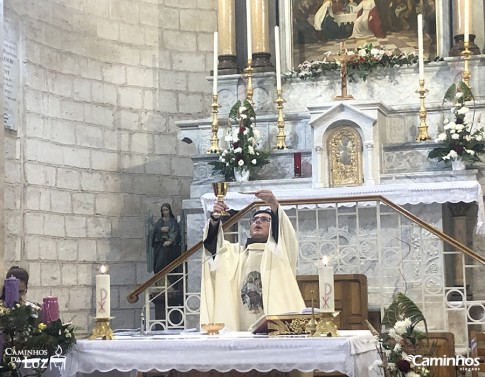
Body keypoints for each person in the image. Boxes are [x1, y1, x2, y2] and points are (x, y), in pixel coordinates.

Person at [200, 190, 305, 331]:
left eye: (265, 219)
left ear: (274, 226)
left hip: (275, 330)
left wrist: (273, 204)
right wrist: (214, 219)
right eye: (255, 220)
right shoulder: (236, 253)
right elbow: (213, 249)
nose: (258, 222)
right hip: (240, 328)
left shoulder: (279, 252)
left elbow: (286, 234)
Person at [149, 203, 181, 275]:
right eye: (163, 210)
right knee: (159, 262)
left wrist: (170, 241)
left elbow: (176, 233)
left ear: (169, 211)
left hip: (170, 246)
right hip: (160, 245)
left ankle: (168, 276)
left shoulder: (173, 221)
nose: (165, 212)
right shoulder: (160, 221)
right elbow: (154, 233)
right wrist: (160, 230)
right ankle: (160, 276)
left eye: (166, 210)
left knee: (166, 256)